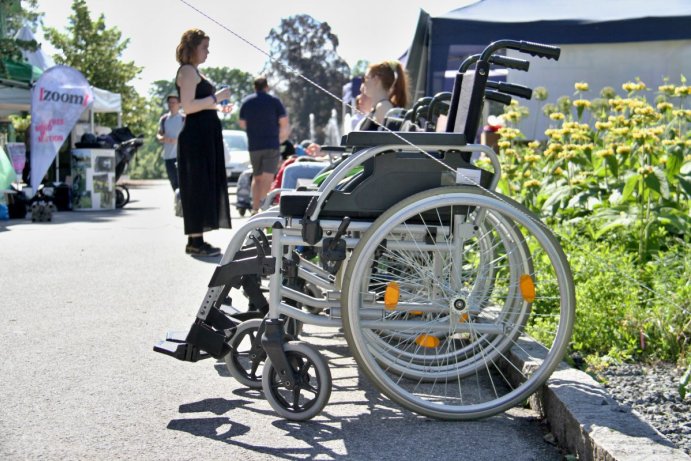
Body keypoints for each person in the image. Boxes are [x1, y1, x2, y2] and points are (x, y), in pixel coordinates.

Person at [175, 28, 231, 256]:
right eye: (204, 47)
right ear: (193, 48)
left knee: (202, 185)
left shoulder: (195, 71)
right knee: (196, 187)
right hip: (196, 138)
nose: (208, 52)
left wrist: (218, 106)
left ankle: (196, 239)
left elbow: (199, 104)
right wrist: (218, 97)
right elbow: (188, 107)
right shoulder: (187, 71)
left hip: (204, 137)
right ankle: (195, 241)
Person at [239, 76, 290, 214]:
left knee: (257, 177)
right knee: (268, 177)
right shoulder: (274, 101)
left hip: (254, 145)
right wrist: (280, 137)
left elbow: (242, 123)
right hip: (271, 144)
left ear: (254, 87)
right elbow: (284, 122)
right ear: (267, 87)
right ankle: (264, 206)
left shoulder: (247, 102)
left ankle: (255, 208)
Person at [357, 60, 409, 131]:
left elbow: (387, 139)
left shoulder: (383, 107)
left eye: (365, 78)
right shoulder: (379, 107)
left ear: (376, 79)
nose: (363, 83)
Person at [156, 94, 185, 191]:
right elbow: (159, 134)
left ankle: (184, 203)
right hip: (168, 156)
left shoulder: (184, 118)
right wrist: (162, 138)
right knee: (173, 181)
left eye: (174, 102)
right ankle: (178, 202)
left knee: (182, 181)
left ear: (179, 104)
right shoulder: (164, 119)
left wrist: (178, 140)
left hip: (182, 156)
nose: (171, 104)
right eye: (170, 102)